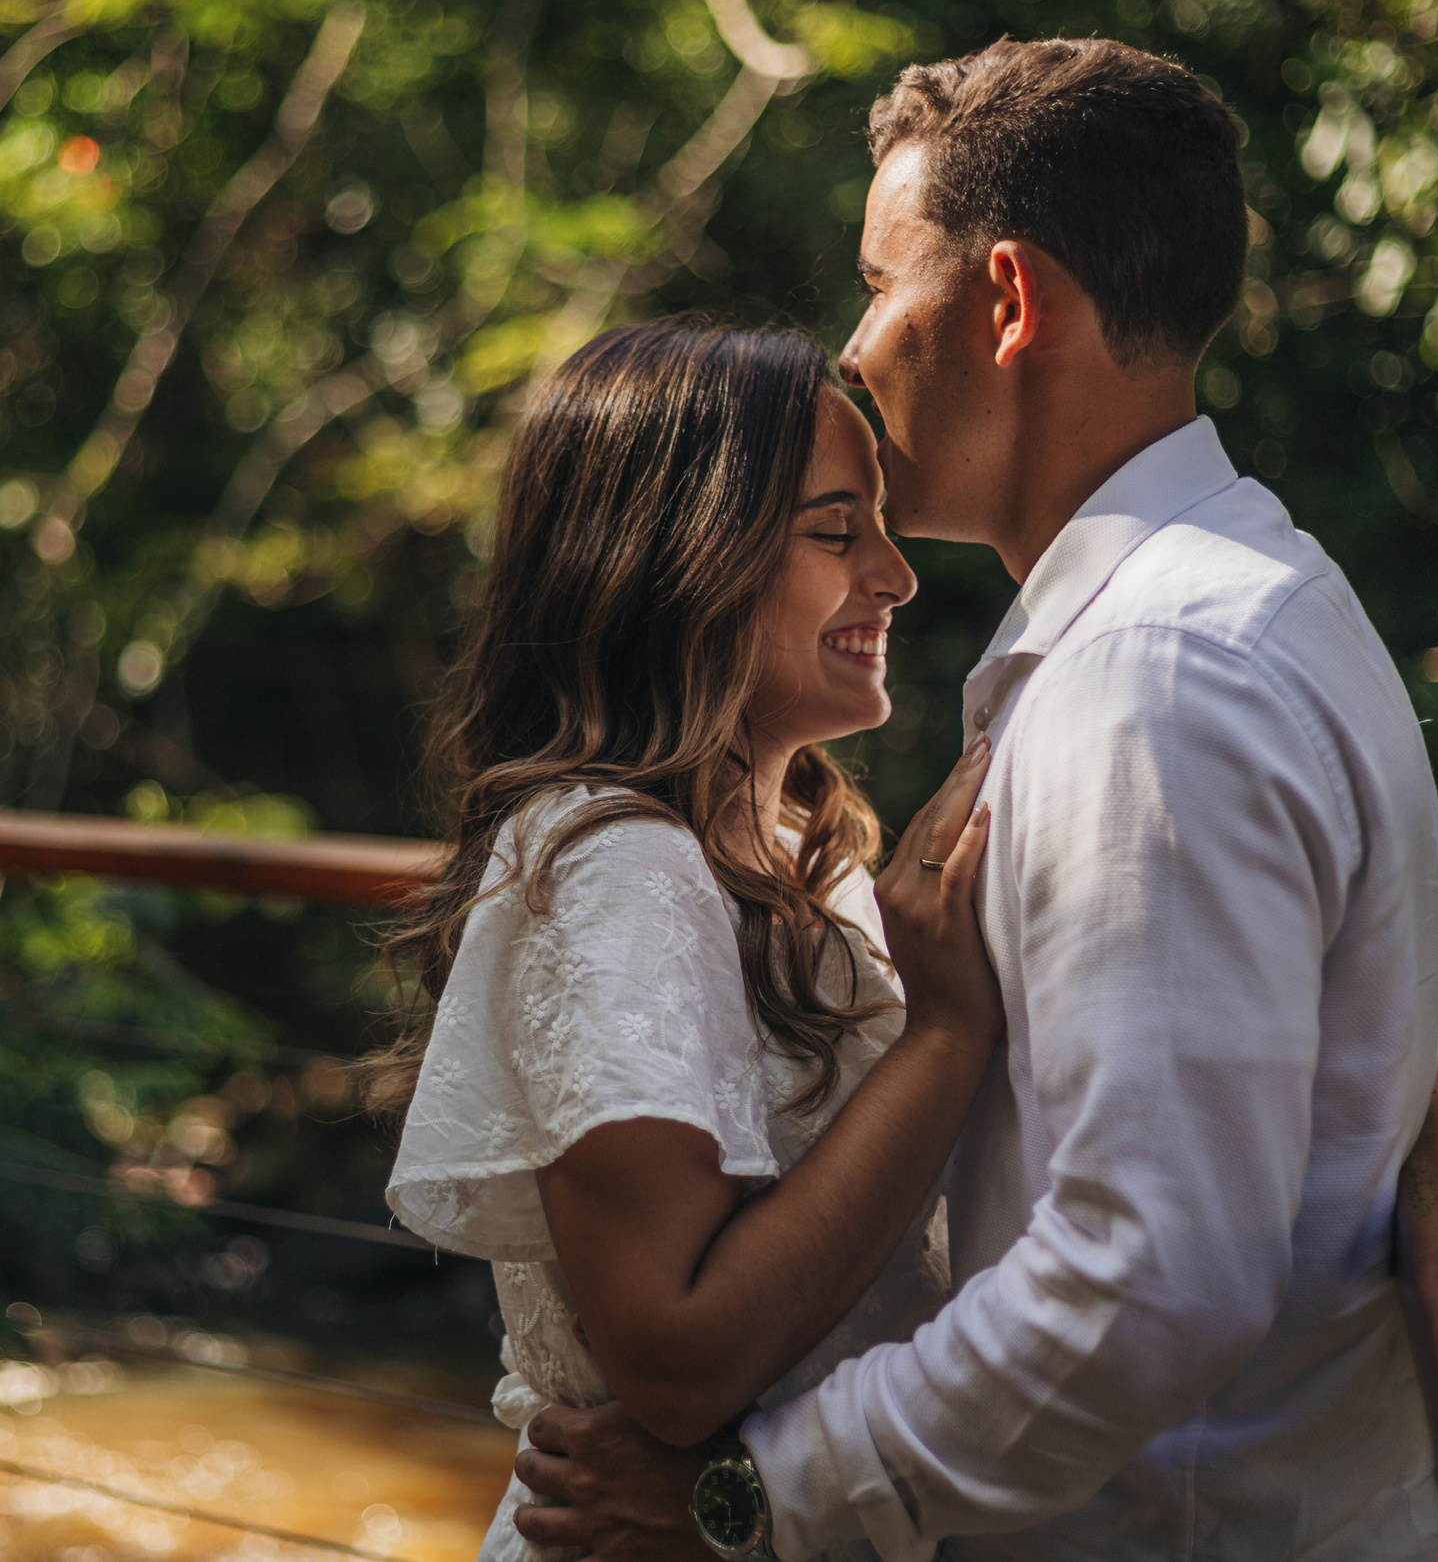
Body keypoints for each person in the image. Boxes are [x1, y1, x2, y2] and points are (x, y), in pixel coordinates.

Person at [508, 39, 1438, 1562]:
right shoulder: (1239, 599)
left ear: (1007, 302)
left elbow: (1151, 1271)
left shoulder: (1157, 684)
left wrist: (755, 1496)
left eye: (885, 281)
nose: (858, 345)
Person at [374, 316, 1013, 1562]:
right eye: (836, 532)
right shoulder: (622, 865)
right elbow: (670, 1362)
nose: (894, 573)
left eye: (877, 524)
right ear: (681, 562)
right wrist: (946, 1037)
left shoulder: (784, 852)